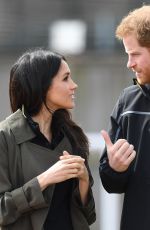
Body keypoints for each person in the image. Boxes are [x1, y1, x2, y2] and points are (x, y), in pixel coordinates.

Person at [0, 48, 96, 230]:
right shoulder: (5, 137)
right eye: (65, 78)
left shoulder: (71, 135)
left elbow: (88, 216)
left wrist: (83, 181)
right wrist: (44, 180)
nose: (74, 85)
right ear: (42, 86)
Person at [99, 4, 150, 230]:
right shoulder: (127, 102)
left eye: (135, 54)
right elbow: (110, 181)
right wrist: (114, 168)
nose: (129, 64)